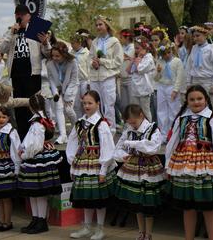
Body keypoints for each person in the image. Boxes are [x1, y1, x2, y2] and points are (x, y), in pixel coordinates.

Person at [165, 85, 213, 240]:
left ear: (206, 99)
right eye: (192, 99)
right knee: (188, 208)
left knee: (209, 208)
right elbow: (172, 143)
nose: (196, 102)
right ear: (187, 102)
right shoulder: (181, 119)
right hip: (184, 167)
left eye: (199, 98)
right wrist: (168, 166)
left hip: (206, 168)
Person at [66, 90, 117, 240]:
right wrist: (72, 163)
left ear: (97, 104)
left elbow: (108, 147)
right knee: (87, 198)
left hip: (96, 164)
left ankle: (100, 228)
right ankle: (87, 227)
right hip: (83, 163)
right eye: (84, 103)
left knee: (98, 199)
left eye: (90, 103)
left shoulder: (101, 125)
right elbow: (72, 143)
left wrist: (103, 169)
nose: (87, 106)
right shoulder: (80, 123)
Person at [0, 4, 51, 140]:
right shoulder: (11, 31)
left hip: (32, 74)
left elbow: (48, 54)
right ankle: (22, 135)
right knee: (19, 106)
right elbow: (1, 49)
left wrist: (45, 43)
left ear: (28, 16)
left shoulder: (35, 30)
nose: (20, 18)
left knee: (34, 104)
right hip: (16, 75)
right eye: (17, 15)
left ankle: (38, 133)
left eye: (23, 15)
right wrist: (11, 34)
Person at [114, 104, 163, 240]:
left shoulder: (152, 129)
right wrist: (121, 155)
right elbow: (119, 147)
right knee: (137, 203)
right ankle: (141, 232)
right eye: (130, 123)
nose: (132, 125)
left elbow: (152, 147)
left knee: (147, 202)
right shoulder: (129, 130)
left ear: (141, 115)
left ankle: (148, 234)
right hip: (132, 168)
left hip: (148, 168)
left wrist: (132, 144)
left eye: (134, 122)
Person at [18, 94, 62, 234]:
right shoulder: (45, 119)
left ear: (30, 107)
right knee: (35, 193)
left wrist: (24, 154)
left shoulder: (37, 123)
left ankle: (41, 220)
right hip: (40, 158)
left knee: (38, 193)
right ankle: (36, 219)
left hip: (37, 159)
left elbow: (35, 146)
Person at [88, 15, 123, 134]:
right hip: (94, 77)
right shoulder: (94, 42)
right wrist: (93, 63)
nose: (98, 27)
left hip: (108, 77)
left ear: (106, 26)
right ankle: (97, 128)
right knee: (95, 104)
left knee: (109, 104)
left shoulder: (114, 42)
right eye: (96, 25)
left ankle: (110, 130)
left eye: (100, 24)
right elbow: (89, 58)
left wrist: (102, 62)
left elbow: (118, 61)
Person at [47, 41, 79, 144]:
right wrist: (55, 93)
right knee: (59, 109)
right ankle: (63, 135)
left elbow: (74, 80)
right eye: (53, 56)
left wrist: (68, 96)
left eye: (58, 56)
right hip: (58, 88)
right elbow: (51, 80)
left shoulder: (72, 62)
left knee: (69, 110)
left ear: (64, 54)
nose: (55, 58)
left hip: (71, 88)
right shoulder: (50, 64)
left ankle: (77, 131)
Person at [155, 40, 185, 143]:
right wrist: (158, 72)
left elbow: (179, 77)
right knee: (162, 110)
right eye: (164, 54)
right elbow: (156, 78)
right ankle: (163, 134)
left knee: (174, 110)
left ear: (172, 51)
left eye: (168, 52)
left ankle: (174, 133)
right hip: (161, 86)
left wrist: (176, 90)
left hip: (172, 87)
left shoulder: (177, 61)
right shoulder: (159, 62)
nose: (167, 55)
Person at [186, 25, 213, 103]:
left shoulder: (211, 49)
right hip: (195, 81)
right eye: (194, 36)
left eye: (198, 36)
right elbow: (189, 66)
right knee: (195, 104)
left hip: (207, 82)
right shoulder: (194, 48)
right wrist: (188, 82)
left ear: (205, 35)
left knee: (208, 105)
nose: (195, 38)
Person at [126, 36, 155, 122]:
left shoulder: (149, 58)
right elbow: (128, 70)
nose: (136, 50)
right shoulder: (137, 57)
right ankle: (138, 126)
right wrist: (132, 61)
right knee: (135, 110)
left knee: (145, 110)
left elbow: (141, 69)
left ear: (145, 48)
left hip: (144, 89)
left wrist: (137, 61)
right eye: (135, 48)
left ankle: (149, 127)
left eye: (138, 48)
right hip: (135, 88)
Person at [70, 33, 90, 119]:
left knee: (86, 102)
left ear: (79, 43)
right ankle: (79, 120)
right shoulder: (71, 53)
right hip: (75, 81)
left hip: (84, 81)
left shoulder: (86, 53)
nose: (72, 45)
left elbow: (89, 68)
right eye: (71, 43)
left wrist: (89, 81)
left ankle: (87, 119)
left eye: (73, 43)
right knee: (76, 104)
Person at [119, 29, 135, 113]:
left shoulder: (132, 47)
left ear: (127, 37)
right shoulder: (122, 47)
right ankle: (126, 121)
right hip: (122, 78)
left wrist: (123, 57)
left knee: (131, 102)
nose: (120, 40)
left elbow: (121, 56)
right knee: (123, 104)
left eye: (121, 37)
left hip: (130, 78)